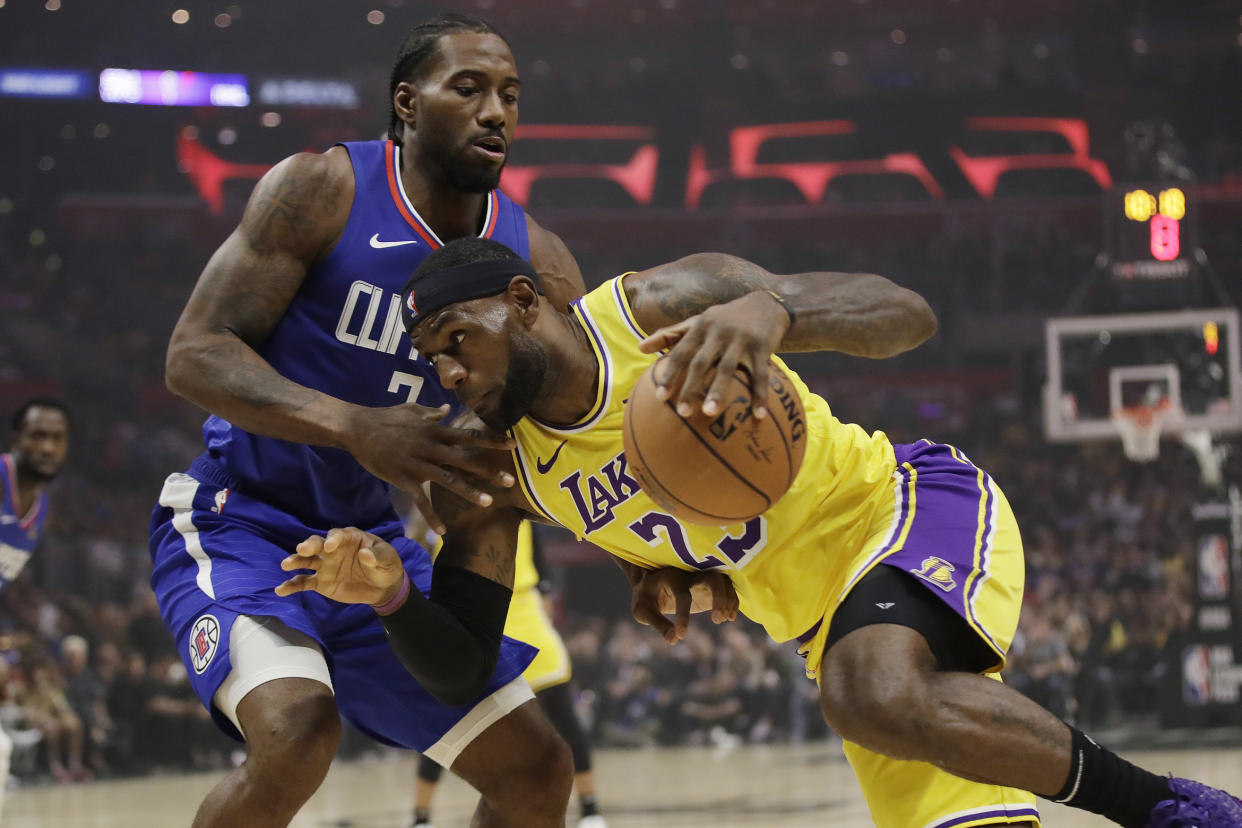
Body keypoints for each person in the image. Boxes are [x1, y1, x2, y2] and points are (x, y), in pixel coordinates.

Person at [279, 236, 1242, 828]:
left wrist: (772, 308)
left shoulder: (659, 306)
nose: (445, 372)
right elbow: (459, 663)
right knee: (882, 704)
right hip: (831, 631)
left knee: (869, 693)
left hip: (905, 507)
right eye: (428, 357)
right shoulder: (492, 469)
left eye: (458, 339)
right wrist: (394, 593)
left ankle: (1167, 809)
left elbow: (908, 315)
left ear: (525, 303)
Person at [149, 13, 588, 827]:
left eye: (511, 95)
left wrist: (658, 558)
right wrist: (358, 426)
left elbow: (583, 425)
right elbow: (195, 353)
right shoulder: (322, 189)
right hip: (237, 520)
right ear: (407, 102)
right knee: (296, 736)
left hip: (372, 547)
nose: (497, 111)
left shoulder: (539, 263)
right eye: (470, 87)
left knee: (537, 769)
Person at [412, 521, 608, 828]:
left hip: (523, 608)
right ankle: (420, 818)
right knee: (445, 720)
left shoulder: (520, 511)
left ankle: (591, 809)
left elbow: (541, 567)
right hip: (469, 617)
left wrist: (545, 601)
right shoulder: (437, 516)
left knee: (561, 712)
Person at [1, 397, 71, 810]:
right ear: (17, 440)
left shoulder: (39, 507)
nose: (47, 447)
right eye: (37, 436)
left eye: (57, 439)